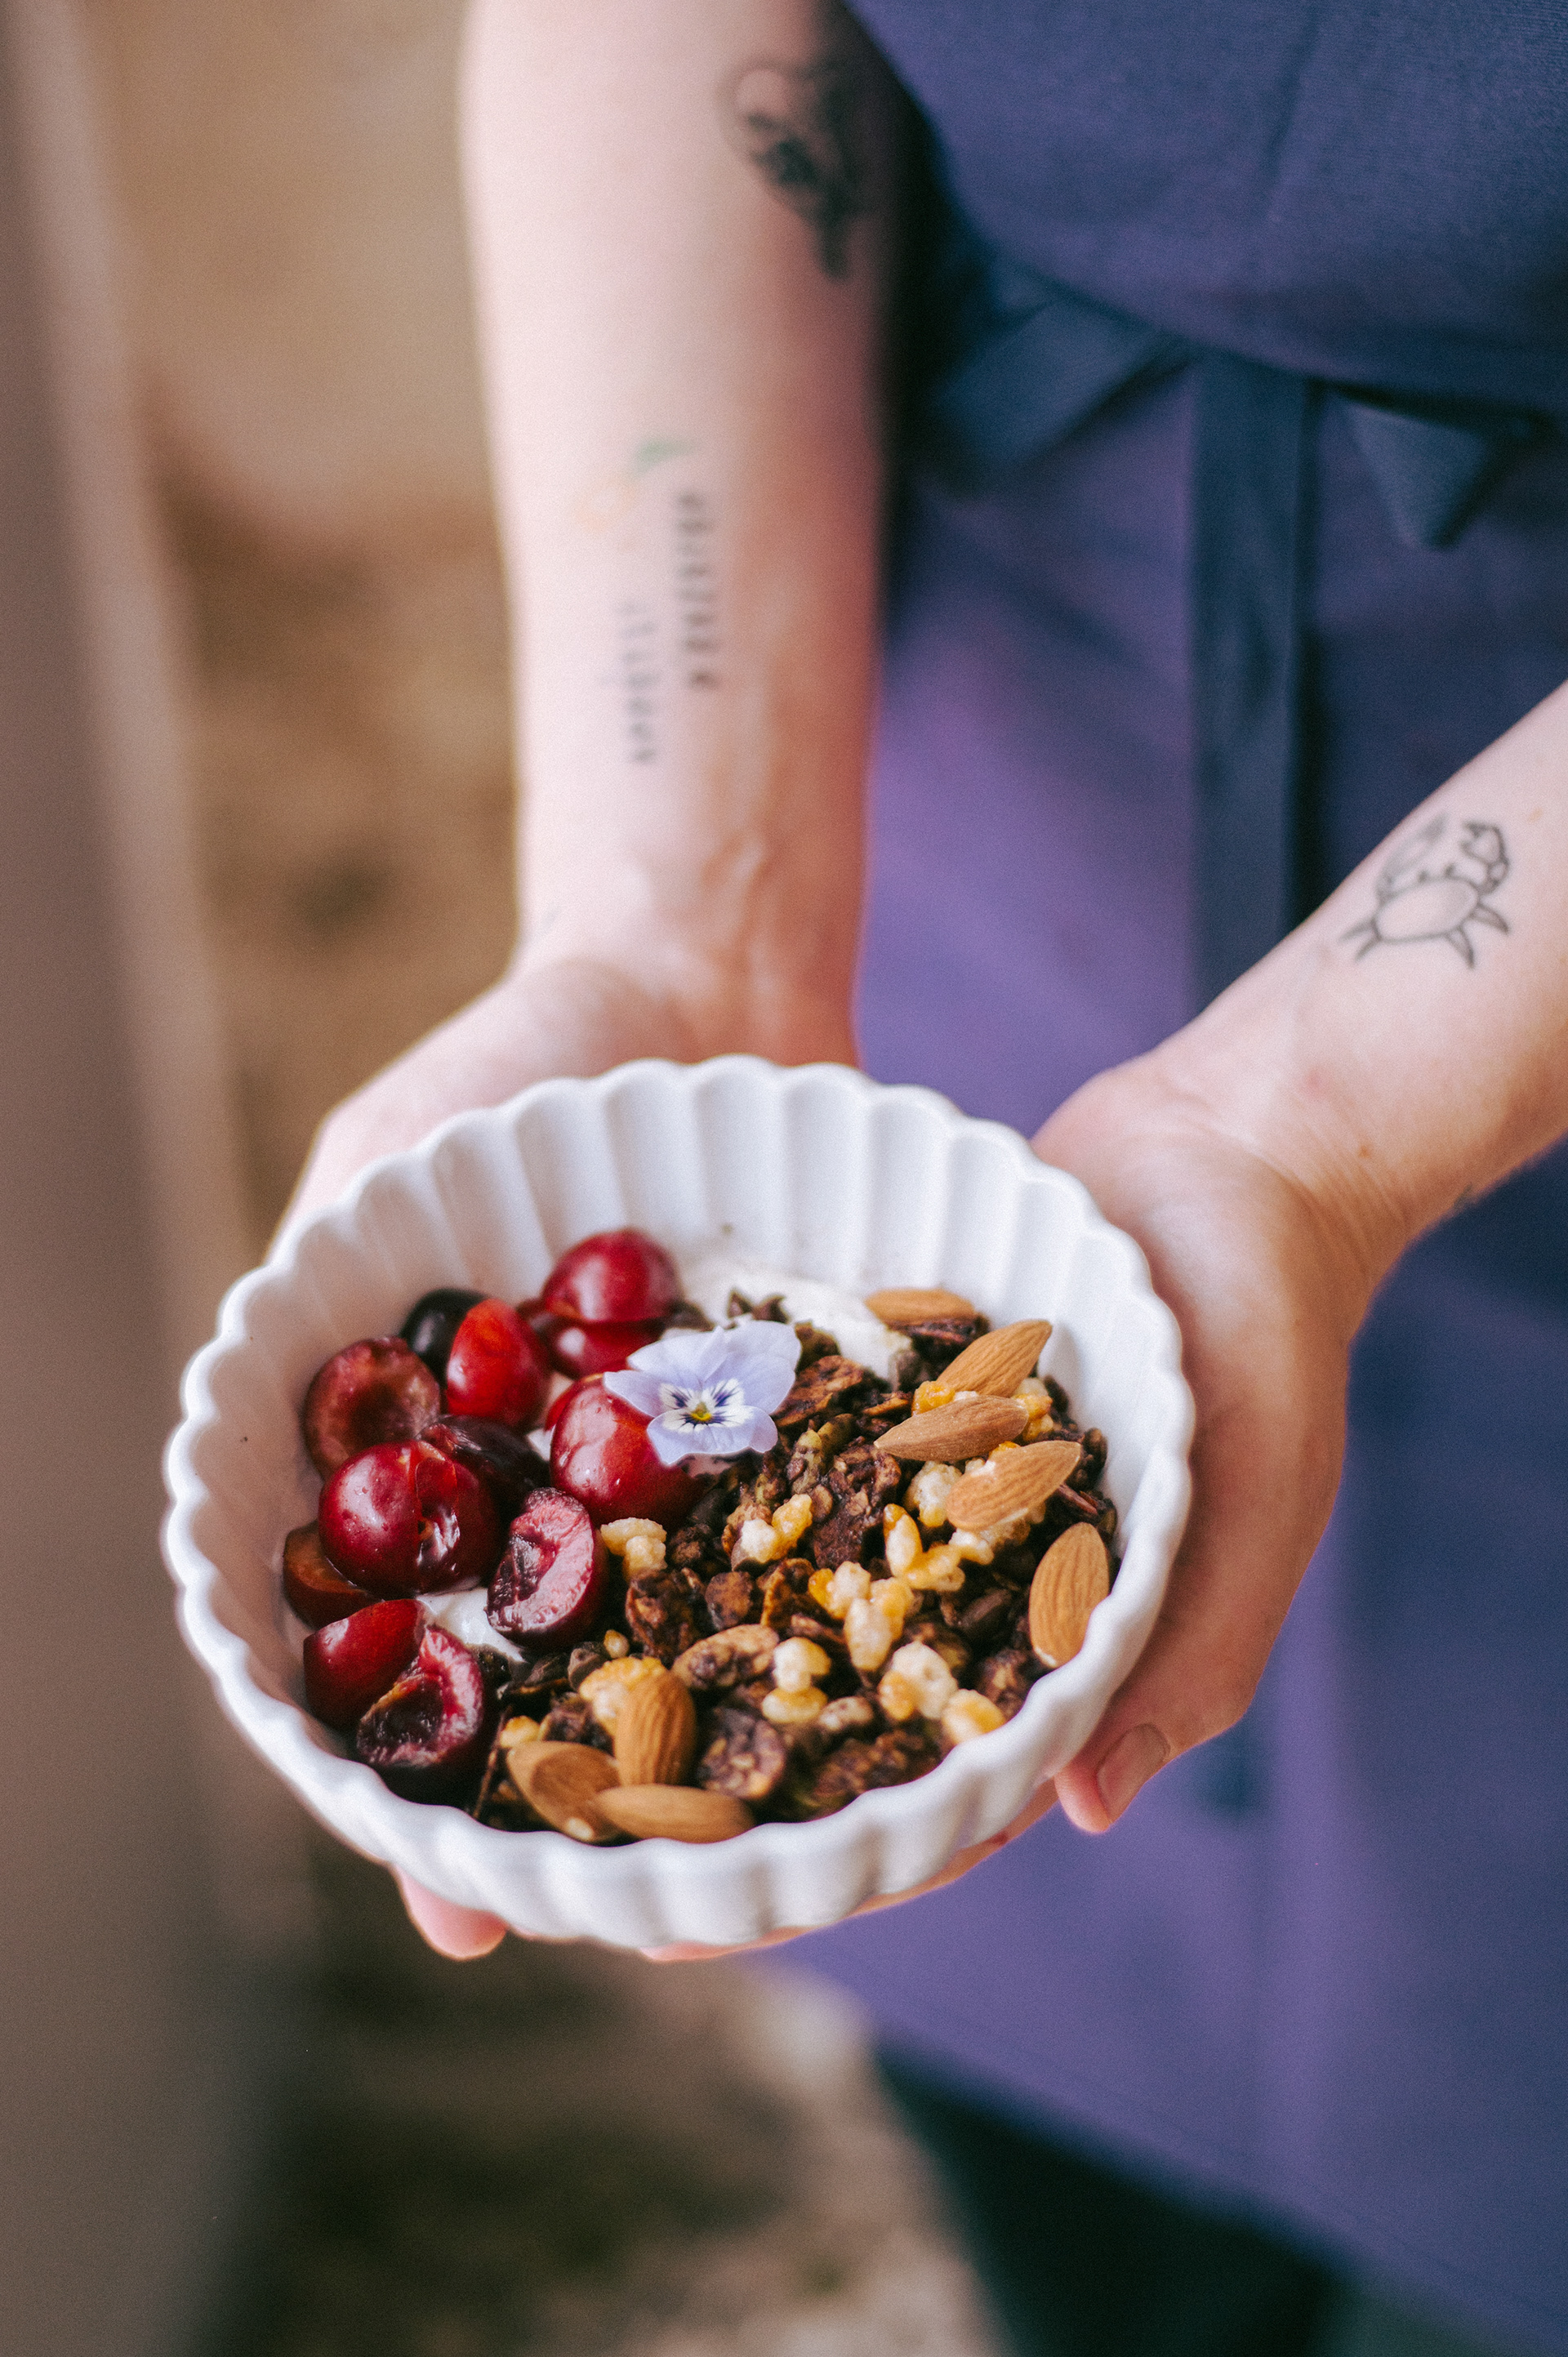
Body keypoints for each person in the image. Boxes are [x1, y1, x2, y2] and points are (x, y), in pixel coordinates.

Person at [290, 7, 1568, 2352]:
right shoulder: (809, 1184)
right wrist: (677, 922)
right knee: (1046, 2052)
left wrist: (1309, 1123)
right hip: (920, 807)